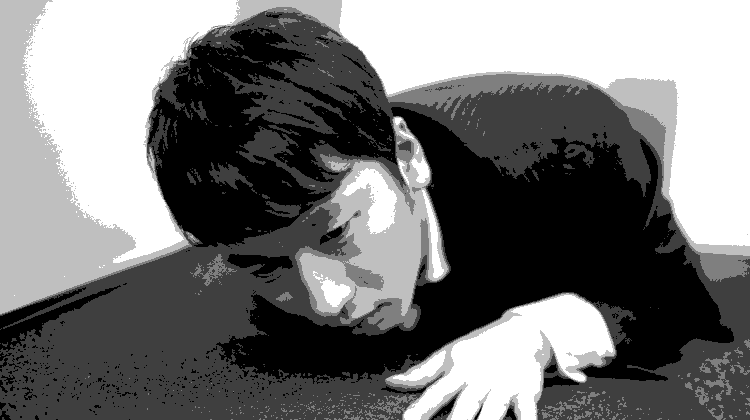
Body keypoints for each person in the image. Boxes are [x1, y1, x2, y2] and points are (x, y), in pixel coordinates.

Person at [145, 8, 734, 420]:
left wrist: (542, 331)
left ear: (408, 157)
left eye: (337, 232)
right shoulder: (242, 246)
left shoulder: (574, 147)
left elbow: (685, 310)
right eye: (265, 266)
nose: (327, 301)